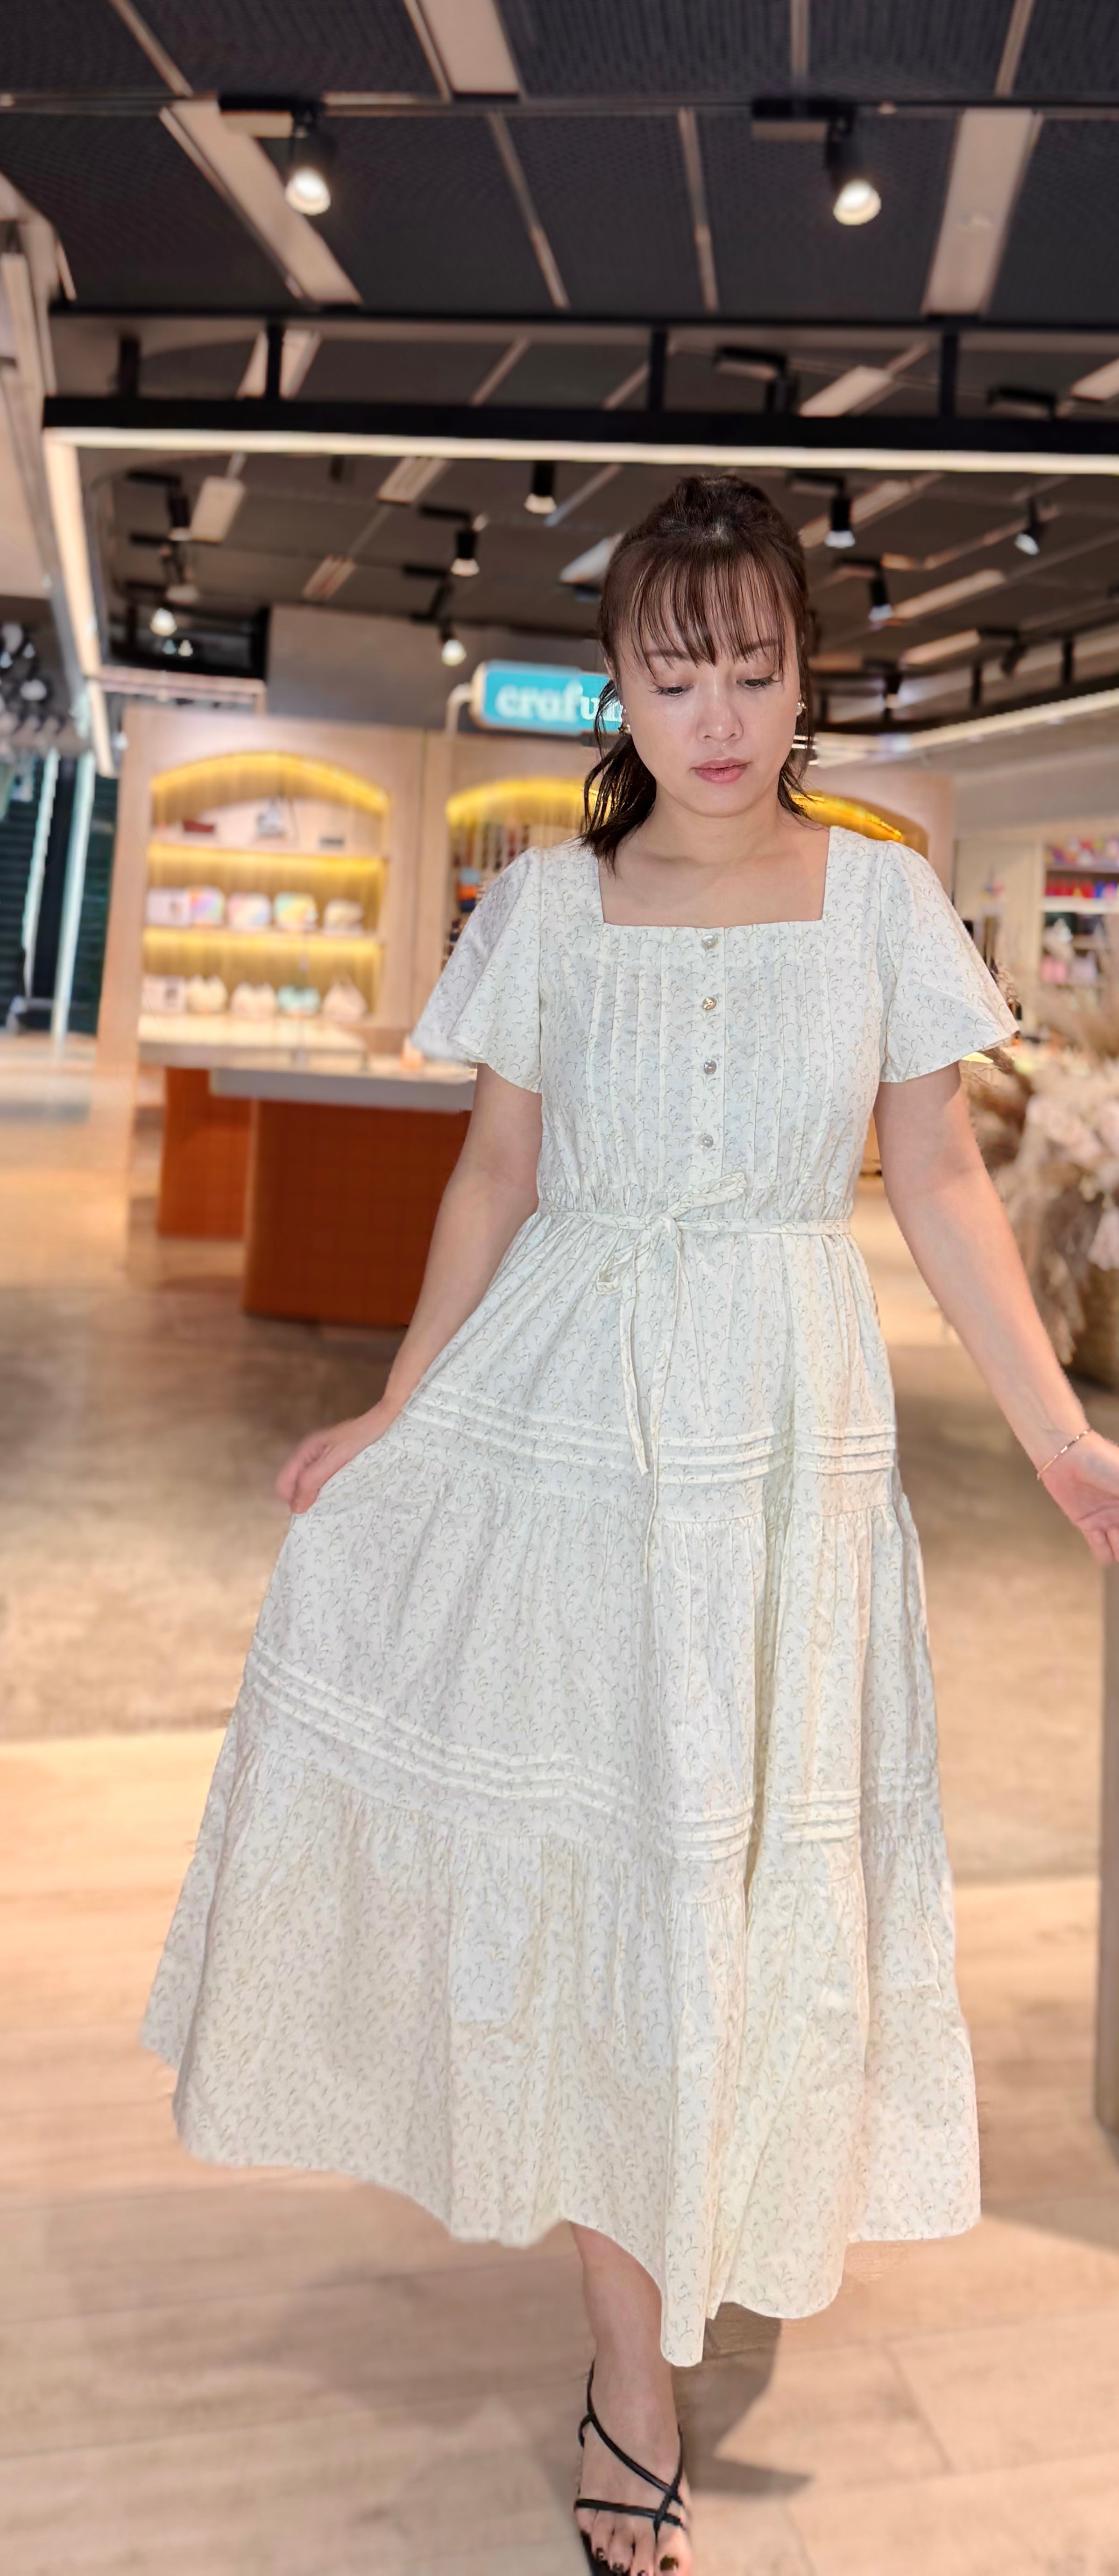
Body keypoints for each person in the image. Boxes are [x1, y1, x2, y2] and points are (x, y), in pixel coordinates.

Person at [143, 476, 1119, 2576]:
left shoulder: (879, 900)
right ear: (617, 688)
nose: (720, 715)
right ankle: (628, 2374)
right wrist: (402, 1403)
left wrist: (1059, 1439)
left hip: (782, 1437)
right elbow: (495, 1175)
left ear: (803, 677)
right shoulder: (550, 907)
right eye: (677, 675)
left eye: (754, 668)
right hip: (568, 1423)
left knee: (738, 1868)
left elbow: (941, 1180)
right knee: (607, 1865)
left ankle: (704, 2211)